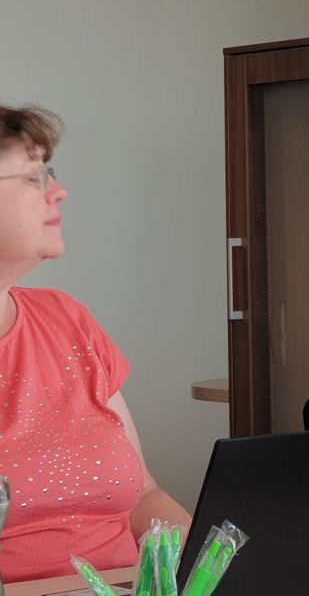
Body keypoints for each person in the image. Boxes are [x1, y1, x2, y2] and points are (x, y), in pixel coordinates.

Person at [0, 105, 191, 582]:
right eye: (33, 177)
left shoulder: (68, 321)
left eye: (50, 174)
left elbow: (143, 496)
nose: (58, 191)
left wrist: (213, 562)